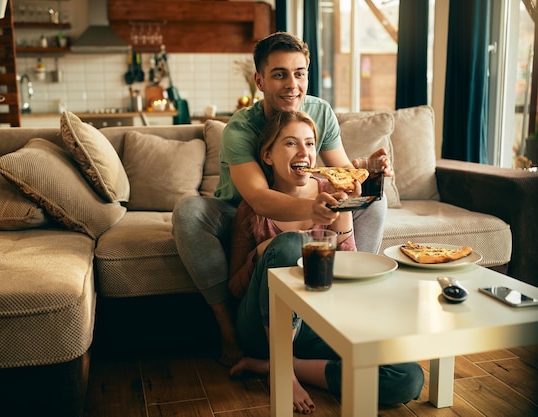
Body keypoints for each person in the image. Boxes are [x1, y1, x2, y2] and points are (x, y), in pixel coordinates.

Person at [172, 31, 391, 366]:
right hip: (239, 211)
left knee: (378, 207)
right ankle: (229, 332)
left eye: (299, 73)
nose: (292, 84)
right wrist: (316, 211)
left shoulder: (321, 112)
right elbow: (259, 198)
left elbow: (343, 177)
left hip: (307, 208)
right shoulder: (241, 129)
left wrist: (366, 174)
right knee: (189, 211)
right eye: (280, 74)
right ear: (259, 80)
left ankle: (350, 299)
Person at [227, 110, 423, 414]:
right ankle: (283, 372)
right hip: (261, 328)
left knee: (407, 377)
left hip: (315, 324)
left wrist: (345, 209)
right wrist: (265, 253)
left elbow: (348, 267)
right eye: (291, 143)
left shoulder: (333, 195)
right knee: (291, 244)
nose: (303, 152)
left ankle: (279, 366)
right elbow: (235, 288)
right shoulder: (254, 207)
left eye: (309, 143)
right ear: (268, 155)